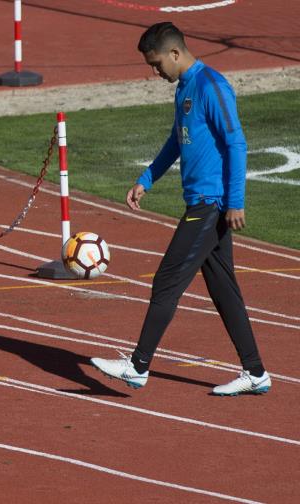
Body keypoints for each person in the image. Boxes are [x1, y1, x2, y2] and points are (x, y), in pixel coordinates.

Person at [90, 22, 270, 396]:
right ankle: (256, 373)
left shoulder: (211, 86)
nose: (154, 72)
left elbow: (236, 143)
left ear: (175, 53)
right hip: (201, 203)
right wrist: (146, 178)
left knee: (166, 280)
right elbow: (177, 141)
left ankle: (138, 366)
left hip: (211, 204)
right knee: (224, 290)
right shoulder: (185, 90)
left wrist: (235, 201)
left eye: (156, 64)